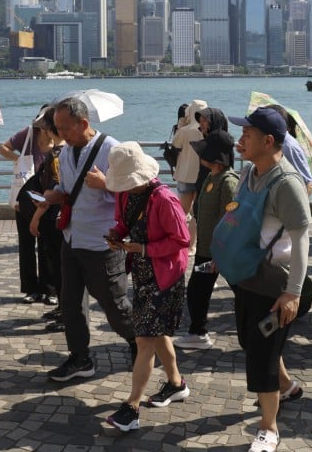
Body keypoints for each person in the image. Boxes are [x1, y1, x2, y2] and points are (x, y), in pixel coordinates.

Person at [220, 107, 312, 452]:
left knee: (262, 356)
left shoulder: (286, 182)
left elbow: (301, 239)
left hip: (274, 284)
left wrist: (293, 293)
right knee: (248, 340)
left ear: (268, 140)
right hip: (247, 274)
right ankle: (288, 387)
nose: (240, 139)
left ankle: (269, 428)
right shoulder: (248, 173)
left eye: (247, 134)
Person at [42, 97, 136, 382]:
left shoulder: (112, 149)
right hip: (72, 238)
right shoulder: (66, 151)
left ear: (84, 123)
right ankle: (80, 358)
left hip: (102, 243)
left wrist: (106, 184)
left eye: (65, 128)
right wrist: (56, 195)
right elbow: (68, 188)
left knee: (114, 304)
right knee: (70, 304)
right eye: (57, 128)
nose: (61, 135)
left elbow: (133, 193)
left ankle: (142, 342)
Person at [103, 142, 191, 431]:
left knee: (144, 339)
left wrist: (142, 248)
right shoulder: (129, 196)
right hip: (143, 273)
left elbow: (181, 240)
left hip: (165, 276)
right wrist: (118, 234)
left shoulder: (164, 199)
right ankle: (176, 383)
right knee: (155, 333)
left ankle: (132, 406)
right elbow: (126, 223)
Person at [174, 129, 238, 350]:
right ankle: (197, 331)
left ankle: (199, 332)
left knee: (242, 290)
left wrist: (221, 255)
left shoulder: (227, 181)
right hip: (206, 250)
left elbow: (230, 219)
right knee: (196, 291)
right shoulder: (212, 176)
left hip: (218, 252)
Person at [0, 109, 55, 304]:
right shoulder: (28, 134)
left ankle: (50, 289)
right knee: (26, 245)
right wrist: (19, 160)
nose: (43, 126)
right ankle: (31, 289)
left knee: (47, 245)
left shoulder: (60, 139)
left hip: (48, 199)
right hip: (24, 197)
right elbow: (2, 148)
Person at [27, 107, 67, 331]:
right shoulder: (69, 152)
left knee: (58, 266)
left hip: (53, 216)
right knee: (59, 266)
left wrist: (35, 216)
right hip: (61, 215)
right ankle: (63, 307)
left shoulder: (57, 155)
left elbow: (53, 190)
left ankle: (65, 311)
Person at [171, 100, 207, 217]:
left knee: (182, 212)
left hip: (185, 175)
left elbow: (175, 144)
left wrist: (181, 125)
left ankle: (181, 235)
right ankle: (194, 236)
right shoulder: (207, 129)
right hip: (202, 175)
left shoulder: (185, 131)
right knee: (197, 213)